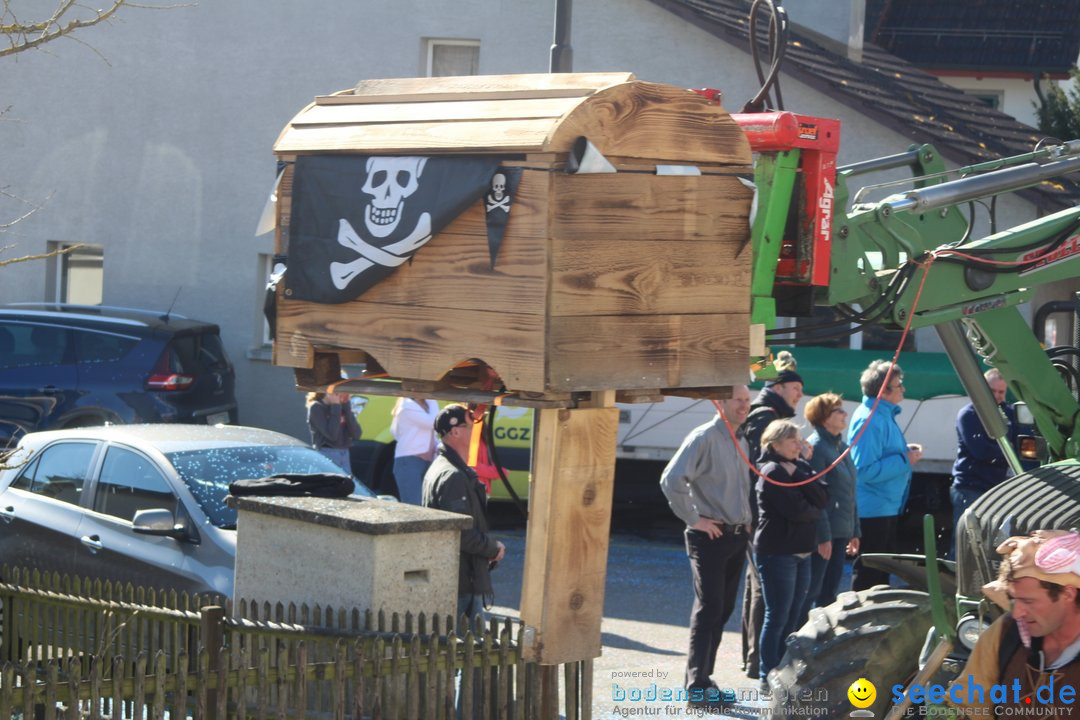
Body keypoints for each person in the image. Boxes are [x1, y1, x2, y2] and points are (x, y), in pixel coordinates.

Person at [659, 385, 754, 707]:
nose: (744, 406)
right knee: (709, 608)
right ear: (720, 403)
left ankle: (704, 681)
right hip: (710, 535)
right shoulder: (705, 437)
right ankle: (697, 687)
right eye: (738, 400)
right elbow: (671, 480)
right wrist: (694, 519)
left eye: (746, 400)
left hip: (735, 535)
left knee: (721, 610)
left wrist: (748, 519)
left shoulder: (741, 439)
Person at [948, 530, 1080, 718]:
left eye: (1028, 601)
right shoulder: (1005, 634)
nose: (1017, 613)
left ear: (1067, 594)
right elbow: (969, 705)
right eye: (1014, 599)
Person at [753, 419, 828, 694]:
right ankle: (766, 673)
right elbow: (797, 511)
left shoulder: (801, 466)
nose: (800, 445)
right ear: (775, 444)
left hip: (802, 551)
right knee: (778, 614)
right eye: (793, 440)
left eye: (799, 439)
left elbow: (822, 498)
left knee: (796, 612)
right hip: (778, 552)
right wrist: (806, 494)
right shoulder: (772, 470)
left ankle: (786, 668)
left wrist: (799, 475)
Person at [742, 352, 805, 679]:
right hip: (765, 517)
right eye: (796, 388)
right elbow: (761, 472)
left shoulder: (771, 413)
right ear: (779, 387)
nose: (800, 395)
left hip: (763, 516)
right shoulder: (767, 418)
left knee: (763, 594)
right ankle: (758, 663)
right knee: (765, 596)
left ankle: (755, 660)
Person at [422, 403, 505, 623]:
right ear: (455, 432)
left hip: (460, 576)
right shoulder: (453, 476)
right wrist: (493, 547)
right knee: (462, 647)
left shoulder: (444, 468)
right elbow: (460, 534)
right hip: (461, 580)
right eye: (472, 426)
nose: (477, 431)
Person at [848, 360, 922, 591]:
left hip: (883, 507)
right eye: (899, 385)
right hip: (873, 510)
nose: (903, 389)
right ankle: (860, 623)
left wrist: (902, 453)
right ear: (883, 391)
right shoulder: (870, 419)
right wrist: (904, 460)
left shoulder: (881, 415)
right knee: (870, 577)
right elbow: (863, 470)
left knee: (880, 577)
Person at [797, 393, 859, 625]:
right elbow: (816, 497)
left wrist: (855, 530)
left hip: (841, 531)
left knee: (829, 594)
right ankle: (801, 638)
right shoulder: (817, 448)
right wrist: (824, 537)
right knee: (812, 592)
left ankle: (819, 643)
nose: (844, 414)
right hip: (825, 534)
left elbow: (850, 491)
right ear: (824, 418)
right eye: (838, 410)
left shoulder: (841, 446)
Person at [950, 368, 1017, 553]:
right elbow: (981, 451)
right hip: (970, 488)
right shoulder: (968, 414)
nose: (997, 396)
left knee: (991, 546)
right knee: (965, 545)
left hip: (996, 489)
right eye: (992, 391)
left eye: (1001, 392)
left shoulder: (1009, 413)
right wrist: (1009, 452)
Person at [390, 395, 440, 505]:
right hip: (409, 461)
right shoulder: (407, 405)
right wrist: (432, 398)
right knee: (414, 506)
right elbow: (434, 422)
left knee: (426, 506)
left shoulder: (426, 404)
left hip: (424, 461)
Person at [306, 391, 362, 475]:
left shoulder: (343, 406)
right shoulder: (317, 407)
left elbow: (357, 434)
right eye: (344, 393)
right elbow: (332, 435)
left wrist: (347, 409)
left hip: (344, 453)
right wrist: (335, 406)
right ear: (330, 393)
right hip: (327, 452)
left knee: (347, 485)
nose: (348, 397)